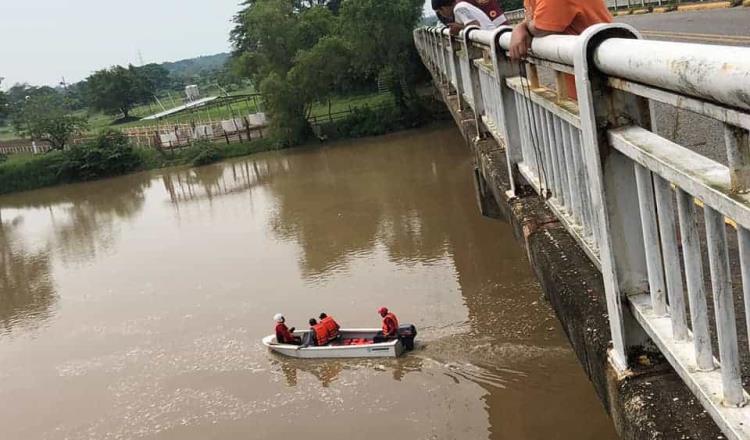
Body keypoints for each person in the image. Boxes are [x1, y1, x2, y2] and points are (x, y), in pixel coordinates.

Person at [508, 0, 612, 98]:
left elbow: (541, 27)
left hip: (601, 90)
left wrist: (522, 27)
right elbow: (534, 22)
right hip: (590, 84)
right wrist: (523, 26)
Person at [433, 0, 508, 35]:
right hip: (491, 35)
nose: (442, 15)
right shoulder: (461, 5)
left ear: (443, 8)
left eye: (440, 12)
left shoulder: (458, 8)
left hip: (490, 36)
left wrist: (459, 27)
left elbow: (475, 25)